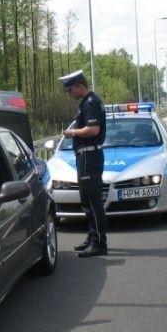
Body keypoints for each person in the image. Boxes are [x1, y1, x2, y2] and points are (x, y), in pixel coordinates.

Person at [59, 70, 108, 257]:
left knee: (92, 201)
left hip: (89, 156)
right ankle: (92, 236)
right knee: (86, 200)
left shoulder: (91, 102)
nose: (70, 95)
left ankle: (99, 242)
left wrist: (72, 133)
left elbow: (93, 129)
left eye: (70, 90)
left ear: (79, 86)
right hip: (86, 156)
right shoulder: (88, 102)